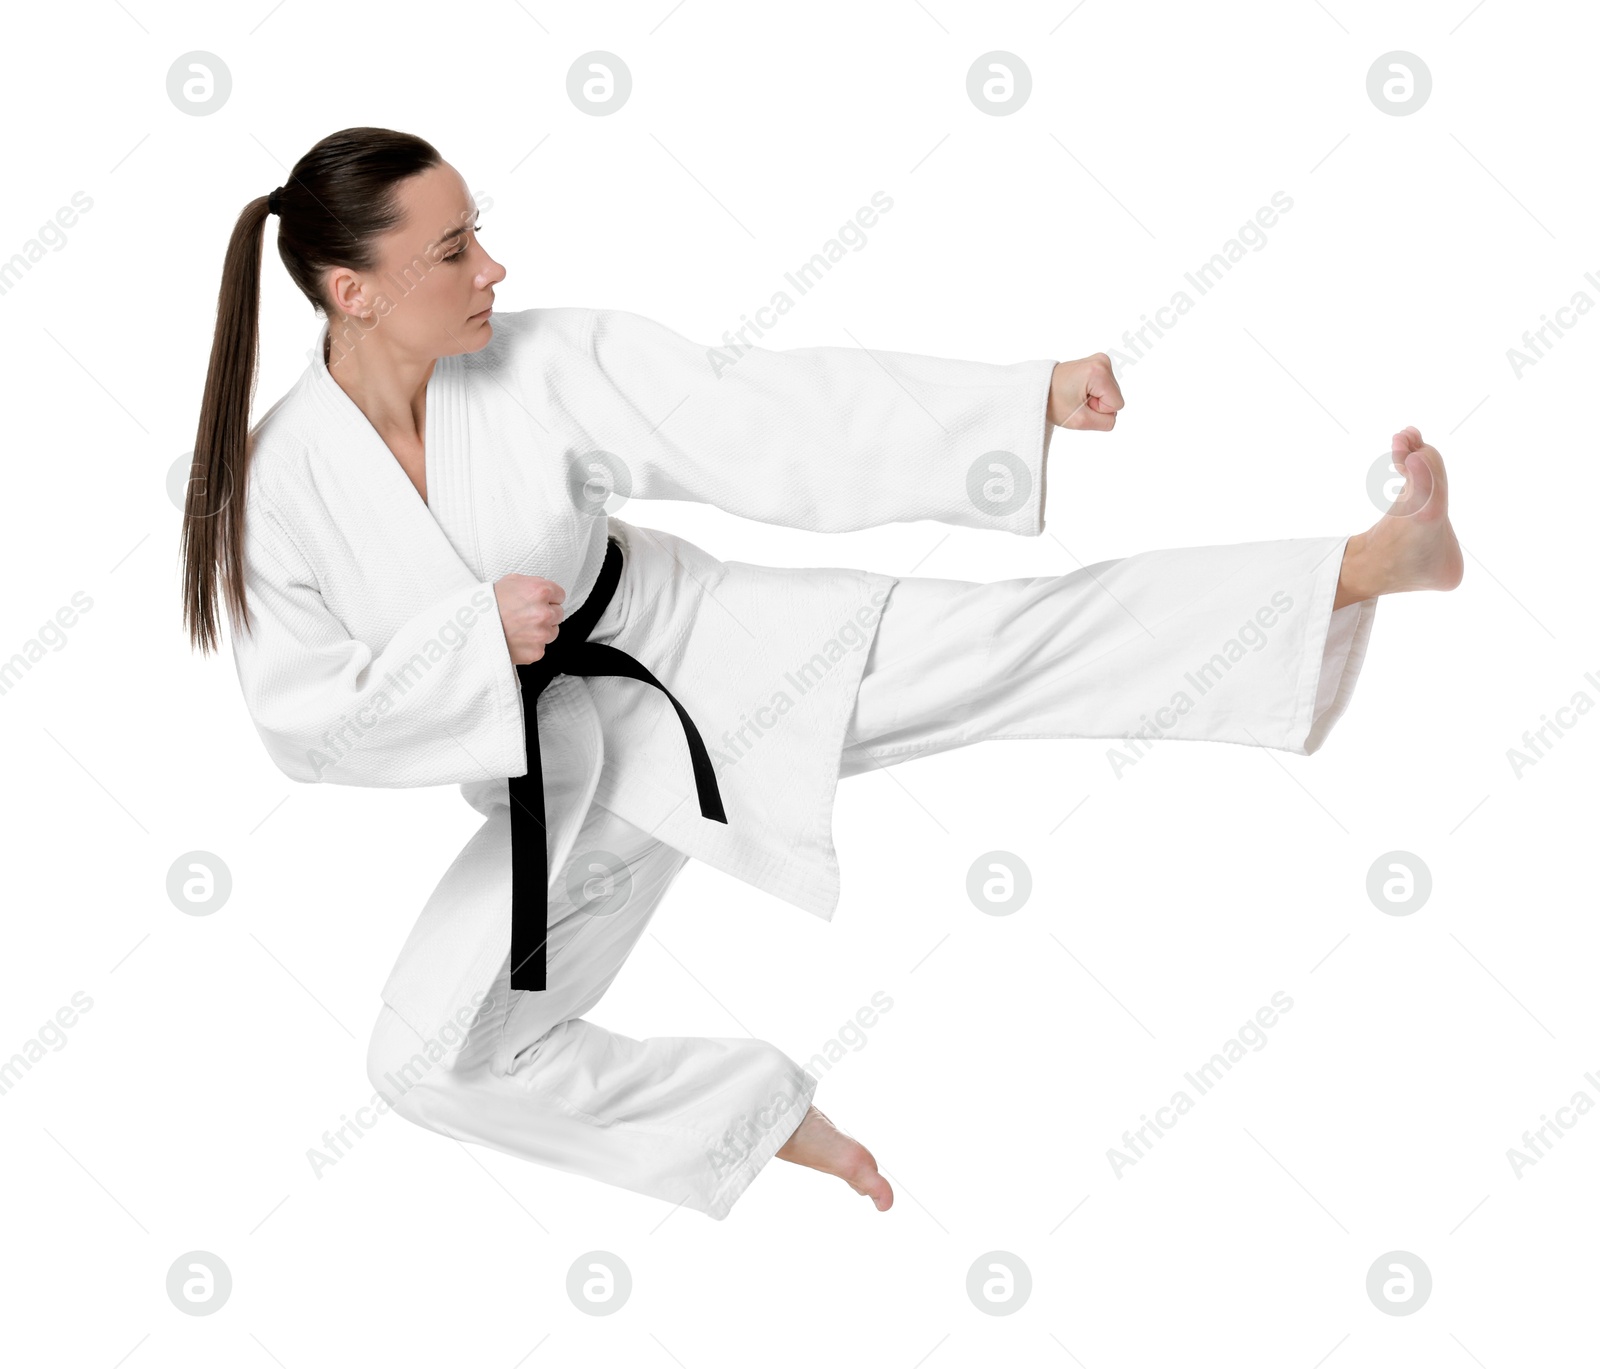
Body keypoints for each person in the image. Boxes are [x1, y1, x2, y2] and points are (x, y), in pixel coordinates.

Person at [180, 127, 1461, 1222]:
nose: (493, 266)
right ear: (353, 291)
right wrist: (467, 655)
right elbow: (305, 724)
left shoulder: (539, 361)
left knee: (1019, 644)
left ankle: (1366, 562)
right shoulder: (277, 488)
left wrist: (1018, 404)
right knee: (420, 1061)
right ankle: (755, 1119)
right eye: (453, 248)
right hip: (569, 776)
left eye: (479, 235)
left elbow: (763, 416)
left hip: (714, 655)